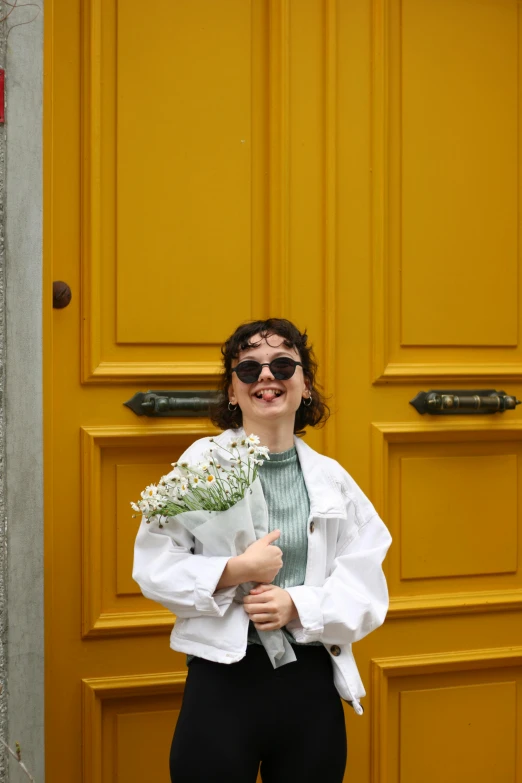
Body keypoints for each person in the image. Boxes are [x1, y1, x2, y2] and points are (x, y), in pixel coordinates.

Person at [132, 318, 392, 783]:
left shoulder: (334, 480)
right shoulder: (202, 463)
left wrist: (297, 603)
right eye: (249, 369)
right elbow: (154, 565)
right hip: (222, 683)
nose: (266, 376)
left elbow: (366, 587)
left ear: (305, 385)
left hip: (309, 683)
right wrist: (233, 570)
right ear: (232, 392)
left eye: (283, 364)